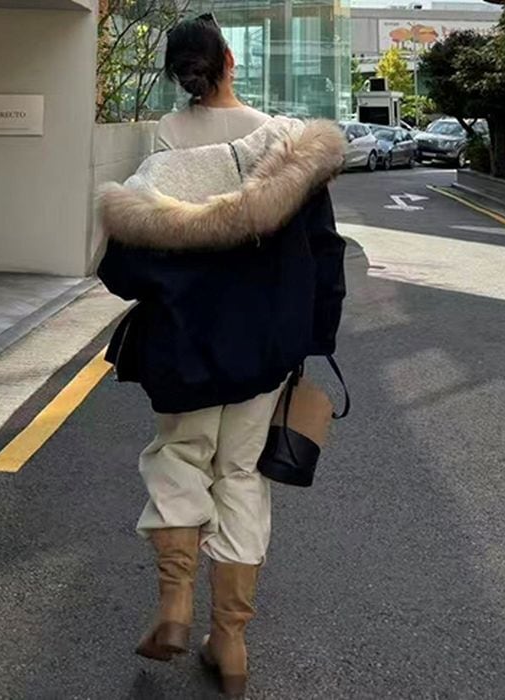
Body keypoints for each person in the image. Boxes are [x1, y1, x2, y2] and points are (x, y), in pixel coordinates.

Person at [97, 13, 346, 699]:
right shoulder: (287, 147)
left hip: (183, 345)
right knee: (240, 473)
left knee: (179, 457)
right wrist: (314, 336)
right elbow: (326, 255)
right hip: (264, 346)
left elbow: (121, 272)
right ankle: (230, 642)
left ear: (179, 74)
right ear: (230, 61)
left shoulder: (161, 155)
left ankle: (175, 605)